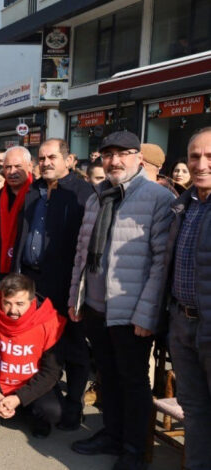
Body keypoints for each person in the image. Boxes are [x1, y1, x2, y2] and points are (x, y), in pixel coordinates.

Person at [67, 131, 173, 468]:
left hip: (131, 312)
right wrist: (76, 297)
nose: (114, 161)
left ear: (138, 158)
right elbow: (83, 252)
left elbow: (160, 263)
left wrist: (147, 314)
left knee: (133, 381)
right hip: (97, 307)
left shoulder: (158, 198)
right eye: (107, 154)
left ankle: (133, 449)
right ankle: (112, 435)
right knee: (108, 377)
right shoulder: (98, 195)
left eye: (122, 153)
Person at [12, 138, 94, 431]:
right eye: (41, 158)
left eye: (52, 157)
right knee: (38, 344)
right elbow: (23, 234)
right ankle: (43, 400)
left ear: (69, 159)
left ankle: (73, 404)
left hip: (67, 283)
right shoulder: (34, 190)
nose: (46, 162)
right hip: (33, 280)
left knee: (72, 345)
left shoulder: (83, 193)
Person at [0, 274, 65, 438]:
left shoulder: (49, 322)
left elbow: (52, 372)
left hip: (29, 383)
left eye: (20, 304)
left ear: (32, 301)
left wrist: (19, 398)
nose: (13, 310)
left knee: (52, 411)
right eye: (7, 303)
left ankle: (27, 413)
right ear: (0, 298)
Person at [164, 127, 211, 470]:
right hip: (181, 321)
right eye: (194, 156)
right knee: (193, 408)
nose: (200, 164)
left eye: (209, 156)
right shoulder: (185, 204)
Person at [0, 146, 33, 280]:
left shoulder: (39, 196)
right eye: (8, 167)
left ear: (30, 166)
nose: (12, 172)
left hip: (28, 271)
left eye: (18, 166)